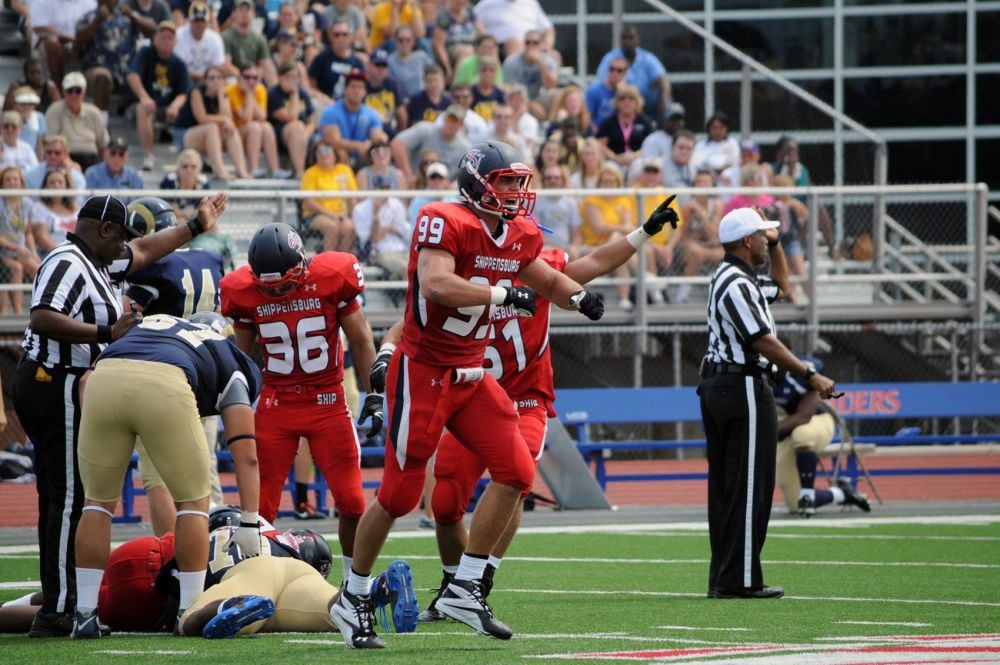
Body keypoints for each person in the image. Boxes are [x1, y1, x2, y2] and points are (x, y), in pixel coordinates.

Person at [328, 140, 605, 649]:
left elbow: (539, 276)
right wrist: (502, 294)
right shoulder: (443, 219)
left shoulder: (519, 232)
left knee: (518, 471)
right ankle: (353, 595)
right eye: (506, 182)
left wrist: (578, 297)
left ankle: (465, 586)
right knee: (401, 494)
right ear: (477, 184)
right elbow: (435, 284)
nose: (517, 193)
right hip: (425, 367)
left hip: (472, 372)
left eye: (520, 182)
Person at [415, 197, 679, 621]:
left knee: (515, 478)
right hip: (473, 398)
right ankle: (453, 585)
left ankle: (478, 579)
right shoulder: (461, 269)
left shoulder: (540, 268)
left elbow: (590, 265)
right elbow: (419, 309)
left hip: (523, 400)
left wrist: (643, 232)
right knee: (445, 502)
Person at [12, 190, 230, 637]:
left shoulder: (99, 260)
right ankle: (59, 609)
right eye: (121, 238)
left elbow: (147, 250)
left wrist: (194, 225)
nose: (127, 248)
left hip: (67, 380)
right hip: (54, 381)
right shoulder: (67, 261)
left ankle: (63, 598)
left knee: (65, 495)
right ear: (104, 229)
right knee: (73, 497)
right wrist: (105, 331)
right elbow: (42, 317)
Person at [70, 312, 264, 638]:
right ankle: (188, 611)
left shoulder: (155, 326)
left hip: (103, 377)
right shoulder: (227, 355)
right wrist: (249, 520)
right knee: (193, 502)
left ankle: (85, 614)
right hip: (164, 383)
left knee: (97, 503)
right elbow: (247, 456)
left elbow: (85, 380)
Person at [219, 222, 382, 585]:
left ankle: (357, 584)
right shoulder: (242, 291)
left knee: (354, 502)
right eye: (269, 285)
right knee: (258, 509)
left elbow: (361, 338)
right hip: (276, 404)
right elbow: (240, 359)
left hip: (328, 401)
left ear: (304, 264)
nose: (278, 290)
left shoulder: (331, 276)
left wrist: (373, 394)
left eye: (284, 281)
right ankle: (257, 582)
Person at [699, 206, 837, 601]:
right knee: (749, 486)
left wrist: (776, 245)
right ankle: (739, 579)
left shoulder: (738, 277)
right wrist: (809, 374)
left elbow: (783, 285)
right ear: (746, 241)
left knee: (729, 487)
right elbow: (761, 339)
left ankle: (724, 576)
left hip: (723, 384)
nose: (766, 241)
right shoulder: (738, 283)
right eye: (761, 236)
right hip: (740, 384)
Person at [774, 356, 871, 517]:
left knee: (802, 433)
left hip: (817, 420)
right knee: (794, 504)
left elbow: (804, 416)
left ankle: (807, 494)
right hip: (786, 431)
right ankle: (841, 493)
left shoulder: (803, 370)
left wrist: (768, 432)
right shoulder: (754, 371)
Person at [127, 21, 192, 171]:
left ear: (175, 42)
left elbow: (184, 93)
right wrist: (144, 97)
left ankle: (191, 158)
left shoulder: (179, 64)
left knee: (191, 107)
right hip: (146, 105)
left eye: (170, 38)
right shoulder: (145, 53)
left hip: (169, 107)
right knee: (143, 108)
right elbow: (132, 76)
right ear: (155, 38)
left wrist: (175, 107)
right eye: (163, 37)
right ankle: (148, 154)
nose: (166, 41)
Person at [594, 25, 671, 119]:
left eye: (630, 38)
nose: (627, 42)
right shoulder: (611, 58)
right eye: (624, 38)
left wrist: (664, 97)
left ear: (637, 40)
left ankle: (664, 130)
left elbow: (662, 77)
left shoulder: (646, 57)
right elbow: (603, 82)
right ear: (620, 40)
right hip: (621, 99)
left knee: (666, 97)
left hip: (647, 102)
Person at [225, 63, 285, 179]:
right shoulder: (231, 90)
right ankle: (253, 168)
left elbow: (262, 116)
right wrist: (248, 94)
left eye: (255, 78)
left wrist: (250, 94)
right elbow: (245, 118)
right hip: (233, 134)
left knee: (266, 126)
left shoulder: (260, 89)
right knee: (254, 127)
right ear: (240, 78)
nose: (251, 81)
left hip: (250, 131)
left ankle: (275, 170)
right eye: (247, 77)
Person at [319, 69, 388, 169]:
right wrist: (358, 146)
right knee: (339, 151)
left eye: (360, 87)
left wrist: (372, 143)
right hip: (337, 155)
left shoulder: (372, 114)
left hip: (362, 155)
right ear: (345, 89)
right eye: (353, 86)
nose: (356, 90)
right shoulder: (331, 111)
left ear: (365, 92)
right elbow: (332, 140)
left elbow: (377, 137)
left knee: (378, 150)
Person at [299, 140, 358, 252]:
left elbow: (353, 196)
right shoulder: (310, 173)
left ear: (334, 153)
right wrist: (330, 214)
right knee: (332, 226)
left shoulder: (345, 170)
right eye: (319, 151)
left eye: (327, 150)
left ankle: (341, 261)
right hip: (316, 215)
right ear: (315, 156)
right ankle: (327, 261)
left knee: (349, 227)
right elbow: (309, 202)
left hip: (342, 214)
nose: (324, 154)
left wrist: (350, 214)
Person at [390, 105, 470, 185]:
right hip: (415, 185)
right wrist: (408, 176)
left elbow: (469, 174)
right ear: (444, 118)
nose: (451, 124)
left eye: (455, 121)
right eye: (449, 119)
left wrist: (449, 187)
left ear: (461, 124)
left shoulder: (464, 148)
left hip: (444, 192)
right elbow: (397, 144)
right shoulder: (425, 130)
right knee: (399, 176)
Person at [44, 72, 109, 170]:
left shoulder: (94, 112)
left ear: (84, 93)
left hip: (92, 158)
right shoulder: (54, 110)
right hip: (65, 159)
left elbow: (103, 145)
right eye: (70, 91)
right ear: (64, 92)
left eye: (78, 91)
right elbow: (50, 142)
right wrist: (66, 161)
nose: (74, 95)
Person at [0, 166, 42, 315]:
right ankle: (18, 313)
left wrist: (33, 252)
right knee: (17, 268)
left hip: (21, 250)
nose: (12, 182)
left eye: (15, 179)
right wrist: (16, 248)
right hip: (3, 252)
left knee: (39, 269)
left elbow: (28, 233)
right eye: (8, 180)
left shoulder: (27, 204)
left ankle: (42, 311)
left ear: (21, 182)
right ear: (2, 183)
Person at [351, 182, 410, 279]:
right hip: (381, 252)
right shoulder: (361, 208)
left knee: (419, 267)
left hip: (402, 248)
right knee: (406, 269)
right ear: (373, 188)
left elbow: (404, 233)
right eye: (380, 188)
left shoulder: (396, 204)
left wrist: (386, 229)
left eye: (386, 187)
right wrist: (375, 214)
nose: (383, 191)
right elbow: (371, 240)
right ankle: (411, 294)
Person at [267, 61, 315, 179]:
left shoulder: (302, 92)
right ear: (281, 77)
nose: (294, 80)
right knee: (296, 126)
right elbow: (291, 118)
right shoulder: (274, 93)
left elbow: (313, 120)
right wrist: (294, 95)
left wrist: (306, 133)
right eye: (290, 76)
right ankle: (300, 172)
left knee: (319, 141)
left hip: (302, 134)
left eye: (296, 77)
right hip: (280, 134)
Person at [307, 19, 365, 108]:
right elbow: (310, 86)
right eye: (336, 34)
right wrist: (323, 98)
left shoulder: (357, 62)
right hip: (325, 104)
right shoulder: (322, 58)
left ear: (350, 37)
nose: (341, 38)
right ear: (330, 37)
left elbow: (362, 88)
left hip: (350, 106)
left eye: (344, 34)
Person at [596, 84, 654, 171]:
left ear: (637, 102)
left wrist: (634, 156)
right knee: (609, 168)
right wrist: (615, 157)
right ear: (617, 102)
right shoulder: (609, 122)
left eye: (631, 98)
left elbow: (651, 144)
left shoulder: (645, 122)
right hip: (615, 161)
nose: (626, 102)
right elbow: (600, 144)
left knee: (638, 166)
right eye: (622, 99)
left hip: (638, 160)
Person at [472, 0, 554, 58]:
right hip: (500, 47)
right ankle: (517, 81)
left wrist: (547, 45)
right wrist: (484, 35)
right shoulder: (488, 3)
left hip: (533, 44)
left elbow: (548, 28)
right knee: (515, 42)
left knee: (554, 55)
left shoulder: (531, 3)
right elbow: (472, 18)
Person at [532, 164, 581, 258]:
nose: (552, 181)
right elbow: (535, 235)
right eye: (548, 178)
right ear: (543, 180)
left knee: (589, 252)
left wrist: (575, 247)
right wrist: (559, 248)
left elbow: (576, 234)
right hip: (544, 249)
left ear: (562, 180)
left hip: (568, 249)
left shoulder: (571, 202)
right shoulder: (536, 202)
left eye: (556, 178)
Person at [221, 0, 275, 85]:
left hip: (253, 77)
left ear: (254, 14)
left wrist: (255, 75)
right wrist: (245, 76)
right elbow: (226, 65)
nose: (244, 13)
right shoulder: (225, 37)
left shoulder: (260, 39)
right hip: (234, 78)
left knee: (269, 71)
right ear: (234, 14)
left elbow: (265, 64)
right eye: (241, 10)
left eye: (247, 10)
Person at [31, 169, 82, 254]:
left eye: (60, 182)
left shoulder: (75, 207)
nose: (56, 185)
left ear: (66, 186)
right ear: (46, 187)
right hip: (53, 254)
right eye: (52, 182)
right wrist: (64, 254)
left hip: (78, 253)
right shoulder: (39, 208)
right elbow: (43, 239)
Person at [175, 2, 226, 85]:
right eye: (196, 20)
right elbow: (179, 67)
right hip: (184, 79)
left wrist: (208, 78)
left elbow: (219, 66)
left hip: (209, 81)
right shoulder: (179, 35)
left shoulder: (215, 38)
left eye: (202, 20)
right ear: (190, 21)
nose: (199, 24)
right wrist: (203, 77)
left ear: (207, 22)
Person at [159, 149, 212, 223]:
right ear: (178, 168)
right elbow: (168, 210)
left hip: (196, 218)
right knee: (181, 223)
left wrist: (190, 214)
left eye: (193, 167)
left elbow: (205, 209)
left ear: (199, 169)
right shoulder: (169, 180)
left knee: (212, 225)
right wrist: (187, 214)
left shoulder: (204, 182)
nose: (189, 170)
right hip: (175, 219)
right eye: (185, 166)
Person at [502, 30, 557, 100]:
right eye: (527, 42)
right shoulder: (511, 62)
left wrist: (541, 62)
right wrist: (531, 105)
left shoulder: (548, 61)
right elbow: (511, 90)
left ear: (541, 44)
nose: (531, 45)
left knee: (555, 95)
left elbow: (551, 86)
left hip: (539, 98)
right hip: (518, 100)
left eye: (535, 43)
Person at [388, 24, 433, 103]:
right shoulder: (390, 61)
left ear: (413, 41)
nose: (404, 43)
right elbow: (390, 86)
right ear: (395, 40)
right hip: (403, 102)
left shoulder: (422, 57)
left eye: (408, 40)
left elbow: (434, 73)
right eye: (400, 40)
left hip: (425, 100)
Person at [585, 56, 628, 134]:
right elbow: (587, 117)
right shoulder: (594, 90)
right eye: (612, 69)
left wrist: (621, 93)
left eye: (619, 70)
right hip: (598, 135)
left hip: (621, 136)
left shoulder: (628, 94)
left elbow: (631, 117)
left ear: (625, 74)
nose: (615, 73)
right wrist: (598, 133)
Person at [405, 63, 450, 128]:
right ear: (424, 82)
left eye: (436, 80)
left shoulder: (448, 102)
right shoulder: (416, 100)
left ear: (443, 81)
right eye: (429, 81)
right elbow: (414, 125)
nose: (433, 84)